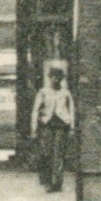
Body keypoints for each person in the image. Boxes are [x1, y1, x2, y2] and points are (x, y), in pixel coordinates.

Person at [32, 63, 75, 193]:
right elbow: (35, 110)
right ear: (50, 77)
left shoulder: (66, 93)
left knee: (58, 154)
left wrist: (71, 127)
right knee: (46, 153)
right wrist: (34, 128)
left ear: (62, 79)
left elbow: (71, 110)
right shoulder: (43, 92)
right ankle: (47, 181)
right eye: (53, 77)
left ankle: (56, 182)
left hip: (61, 125)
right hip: (47, 125)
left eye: (59, 77)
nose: (56, 79)